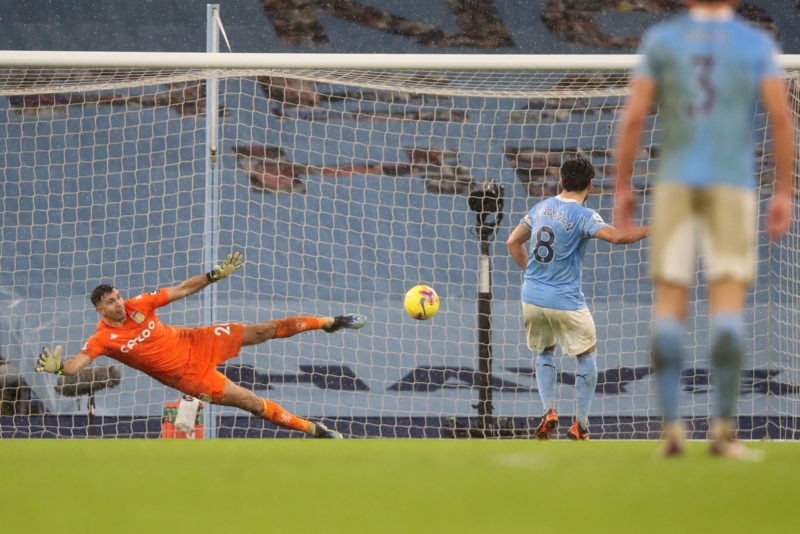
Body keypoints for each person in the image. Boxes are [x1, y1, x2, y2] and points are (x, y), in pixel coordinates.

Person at [613, 0, 795, 459]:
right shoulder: (755, 43)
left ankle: (672, 430)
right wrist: (784, 191)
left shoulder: (662, 40)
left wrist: (622, 186)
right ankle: (723, 433)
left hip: (675, 182)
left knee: (670, 301)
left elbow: (633, 116)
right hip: (732, 183)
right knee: (727, 303)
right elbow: (779, 117)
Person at [35, 251, 367, 439]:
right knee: (250, 402)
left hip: (197, 341)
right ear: (100, 310)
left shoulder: (140, 304)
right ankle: (314, 430)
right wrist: (60, 369)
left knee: (264, 330)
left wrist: (212, 276)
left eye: (119, 296)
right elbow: (78, 363)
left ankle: (330, 322)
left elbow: (181, 289)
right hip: (188, 378)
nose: (119, 303)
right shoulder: (101, 339)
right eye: (111, 301)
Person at [507, 157, 649, 441]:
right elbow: (617, 237)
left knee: (544, 352)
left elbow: (513, 242)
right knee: (586, 356)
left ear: (560, 181)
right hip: (565, 300)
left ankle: (548, 410)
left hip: (532, 296)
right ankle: (580, 426)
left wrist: (533, 273)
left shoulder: (540, 207)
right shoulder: (583, 215)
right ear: (591, 186)